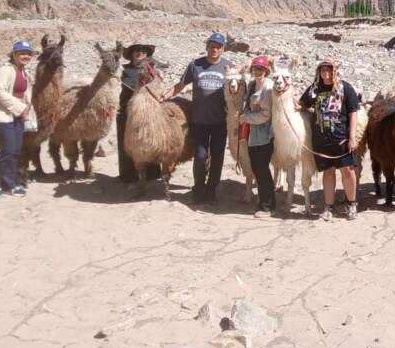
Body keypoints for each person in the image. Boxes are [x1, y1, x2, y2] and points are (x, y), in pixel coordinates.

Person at [169, 33, 233, 206]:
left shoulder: (228, 67)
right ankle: (198, 189)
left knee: (218, 157)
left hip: (220, 122)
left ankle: (211, 190)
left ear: (223, 49)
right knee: (200, 156)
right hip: (199, 121)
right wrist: (165, 95)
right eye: (212, 46)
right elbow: (181, 84)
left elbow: (237, 88)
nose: (215, 49)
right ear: (207, 47)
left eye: (218, 46)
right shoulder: (195, 65)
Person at [299, 61, 360, 221]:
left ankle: (351, 203)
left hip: (341, 137)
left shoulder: (345, 88)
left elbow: (353, 112)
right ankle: (328, 206)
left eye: (329, 69)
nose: (326, 72)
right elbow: (303, 104)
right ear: (319, 71)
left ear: (335, 70)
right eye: (322, 69)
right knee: (328, 171)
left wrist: (352, 137)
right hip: (322, 138)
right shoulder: (315, 88)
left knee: (347, 170)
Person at [0, 40, 34, 198]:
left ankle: (10, 183)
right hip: (2, 115)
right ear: (14, 54)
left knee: (15, 152)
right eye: (22, 53)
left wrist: (27, 109)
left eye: (28, 54)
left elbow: (26, 93)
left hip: (17, 116)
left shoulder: (24, 72)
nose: (25, 56)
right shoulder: (5, 70)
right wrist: (20, 108)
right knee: (8, 150)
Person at [117, 43, 161, 183]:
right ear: (131, 54)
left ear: (147, 54)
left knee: (149, 140)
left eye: (143, 51)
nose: (139, 53)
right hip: (126, 110)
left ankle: (152, 174)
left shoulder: (152, 69)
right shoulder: (123, 70)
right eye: (136, 50)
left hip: (147, 111)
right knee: (127, 143)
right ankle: (128, 175)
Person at [240, 55, 276, 217]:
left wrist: (246, 118)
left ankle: (267, 206)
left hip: (264, 134)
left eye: (261, 69)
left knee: (261, 170)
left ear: (266, 71)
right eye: (256, 68)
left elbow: (266, 114)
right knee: (258, 169)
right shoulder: (253, 85)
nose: (258, 71)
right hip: (253, 135)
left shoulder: (267, 88)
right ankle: (266, 201)